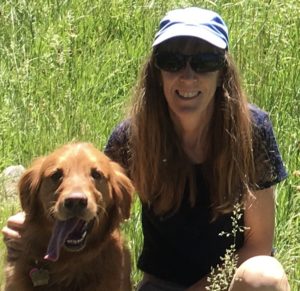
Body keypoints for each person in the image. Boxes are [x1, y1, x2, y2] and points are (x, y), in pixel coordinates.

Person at [2, 7, 290, 291]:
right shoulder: (131, 137)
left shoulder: (252, 130)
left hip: (233, 282)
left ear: (222, 71)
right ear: (157, 71)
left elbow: (258, 246)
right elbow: (97, 200)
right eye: (172, 60)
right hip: (161, 284)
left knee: (263, 275)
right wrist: (29, 221)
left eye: (205, 61)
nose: (187, 76)